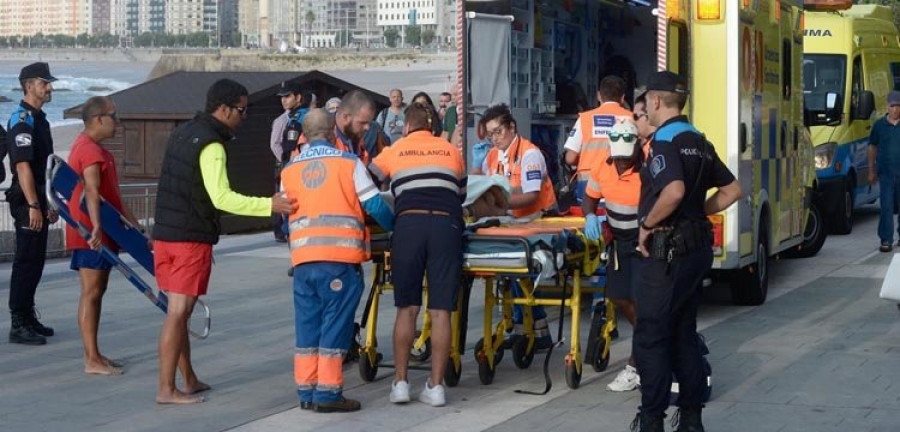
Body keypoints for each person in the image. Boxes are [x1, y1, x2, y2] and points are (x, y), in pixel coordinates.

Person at [152, 79, 297, 404]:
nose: (244, 117)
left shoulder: (182, 133)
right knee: (178, 313)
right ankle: (166, 388)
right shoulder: (211, 145)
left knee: (179, 313)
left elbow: (181, 187)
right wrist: (268, 204)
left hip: (165, 235)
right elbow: (221, 198)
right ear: (224, 108)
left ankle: (187, 379)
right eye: (242, 111)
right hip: (187, 239)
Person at [630, 71, 742, 432]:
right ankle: (691, 419)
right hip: (695, 249)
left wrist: (647, 225)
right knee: (684, 332)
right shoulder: (698, 139)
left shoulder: (664, 141)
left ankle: (651, 420)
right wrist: (699, 214)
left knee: (651, 335)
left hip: (667, 253)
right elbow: (732, 190)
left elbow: (674, 190)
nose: (644, 107)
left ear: (657, 101)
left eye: (646, 101)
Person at [283, 109, 393, 413]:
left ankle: (306, 390)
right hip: (339, 260)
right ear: (333, 131)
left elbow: (284, 211)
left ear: (304, 134)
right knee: (335, 325)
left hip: (303, 261)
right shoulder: (349, 163)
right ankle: (328, 394)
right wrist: (395, 226)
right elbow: (374, 204)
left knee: (307, 328)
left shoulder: (290, 169)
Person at [369, 102, 466, 408]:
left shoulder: (396, 147)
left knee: (407, 308)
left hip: (409, 225)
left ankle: (400, 383)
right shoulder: (450, 150)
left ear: (407, 127)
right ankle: (435, 387)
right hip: (446, 226)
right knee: (440, 311)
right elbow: (461, 194)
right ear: (433, 128)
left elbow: (370, 179)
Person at [66, 96, 145, 375]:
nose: (118, 121)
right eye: (114, 115)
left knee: (97, 292)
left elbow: (115, 198)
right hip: (91, 233)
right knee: (91, 292)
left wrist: (137, 228)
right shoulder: (88, 149)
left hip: (101, 230)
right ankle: (91, 359)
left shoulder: (93, 148)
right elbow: (91, 191)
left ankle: (95, 354)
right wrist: (97, 227)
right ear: (99, 119)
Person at [478, 103, 557, 348]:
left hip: (534, 224)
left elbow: (532, 195)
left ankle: (536, 332)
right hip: (509, 225)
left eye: (498, 132)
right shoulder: (492, 155)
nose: (495, 138)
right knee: (509, 281)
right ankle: (522, 329)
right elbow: (479, 187)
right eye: (490, 134)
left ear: (511, 127)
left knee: (522, 280)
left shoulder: (530, 154)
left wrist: (498, 204)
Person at [582, 119, 642, 392]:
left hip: (644, 243)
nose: (620, 162)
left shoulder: (647, 169)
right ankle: (648, 340)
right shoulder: (603, 166)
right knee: (619, 297)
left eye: (625, 158)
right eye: (617, 157)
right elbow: (590, 197)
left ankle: (637, 363)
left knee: (642, 301)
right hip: (619, 242)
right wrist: (589, 215)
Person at [6, 62, 59, 346]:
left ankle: (28, 315)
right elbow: (23, 167)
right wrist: (34, 206)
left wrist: (49, 202)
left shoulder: (40, 119)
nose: (49, 87)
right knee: (26, 260)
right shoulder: (22, 119)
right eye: (44, 83)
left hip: (39, 198)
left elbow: (46, 169)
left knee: (36, 261)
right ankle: (18, 322)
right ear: (29, 86)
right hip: (27, 201)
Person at [564, 75, 634, 204]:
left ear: (598, 96)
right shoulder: (632, 119)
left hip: (588, 183)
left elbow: (570, 158)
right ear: (623, 98)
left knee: (591, 217)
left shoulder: (585, 119)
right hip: (622, 182)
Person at [270, 81, 311, 243]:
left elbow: (297, 148)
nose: (283, 100)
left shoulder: (302, 118)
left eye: (287, 96)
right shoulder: (290, 118)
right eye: (282, 97)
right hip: (291, 168)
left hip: (298, 170)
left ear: (298, 97)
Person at [868, 91, 900, 252]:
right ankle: (886, 239)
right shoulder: (879, 125)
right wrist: (871, 170)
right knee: (886, 206)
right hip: (886, 173)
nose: (895, 109)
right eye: (892, 105)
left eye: (898, 106)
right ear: (887, 106)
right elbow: (872, 147)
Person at [335, 90, 379, 165]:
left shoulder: (354, 135)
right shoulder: (321, 138)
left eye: (369, 122)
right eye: (362, 122)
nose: (367, 127)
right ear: (345, 117)